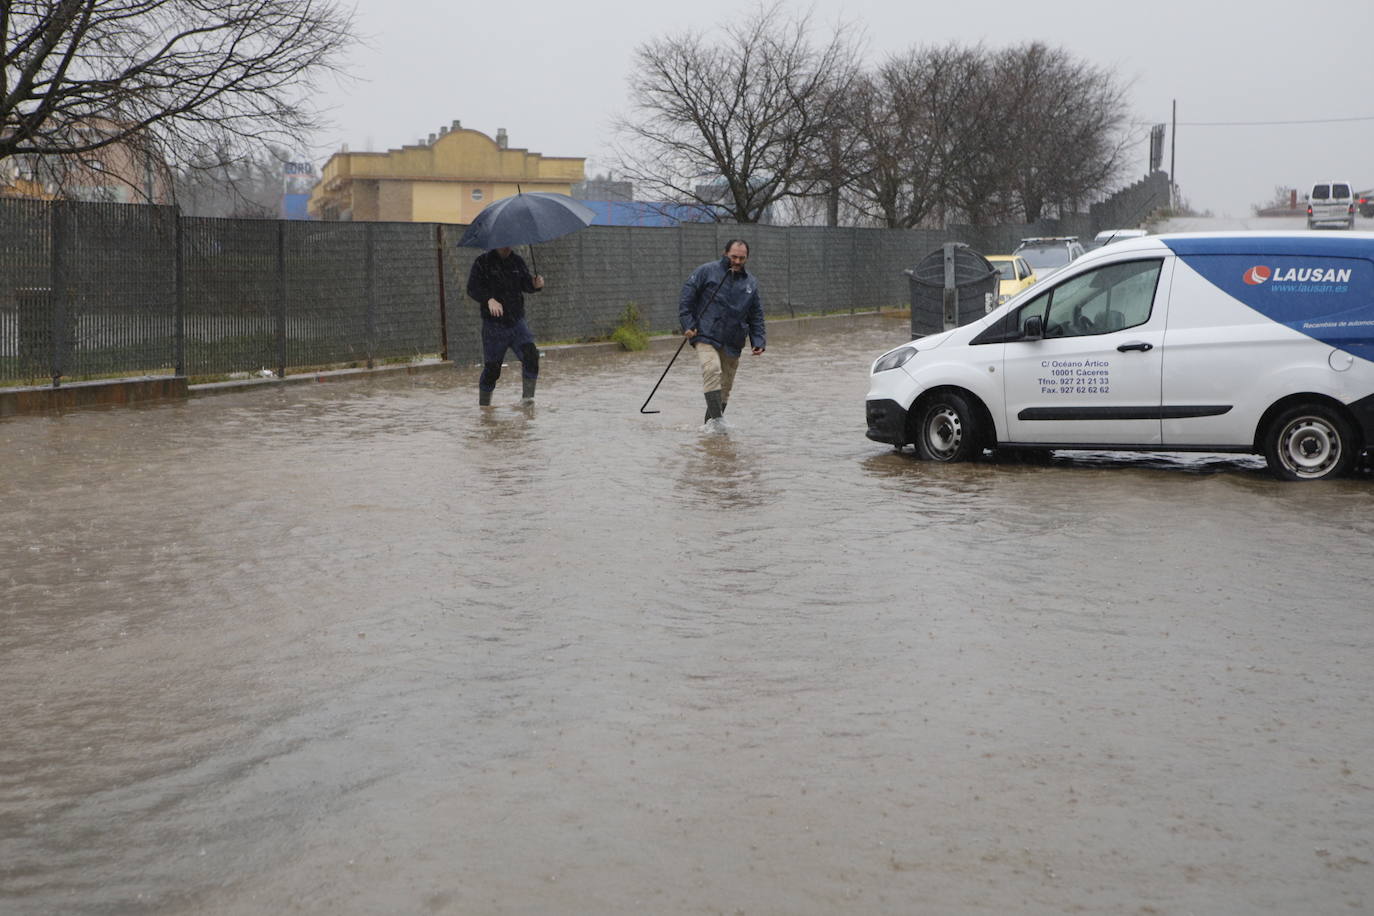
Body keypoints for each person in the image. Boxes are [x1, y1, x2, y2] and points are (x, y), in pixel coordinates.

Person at [678, 239, 766, 421]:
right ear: (725, 253)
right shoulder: (705, 271)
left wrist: (758, 341)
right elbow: (687, 299)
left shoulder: (751, 283)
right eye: (734, 257)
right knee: (712, 369)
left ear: (747, 258)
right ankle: (718, 423)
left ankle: (711, 426)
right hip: (704, 333)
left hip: (734, 340)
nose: (738, 261)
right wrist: (688, 324)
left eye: (742, 258)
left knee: (725, 388)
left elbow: (756, 314)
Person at [466, 246, 545, 405]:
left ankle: (528, 402)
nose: (507, 246)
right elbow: (472, 288)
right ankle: (485, 408)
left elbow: (526, 285)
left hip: (517, 323)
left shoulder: (517, 262)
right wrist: (489, 299)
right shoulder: (483, 262)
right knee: (493, 370)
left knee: (531, 356)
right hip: (493, 326)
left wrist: (536, 285)